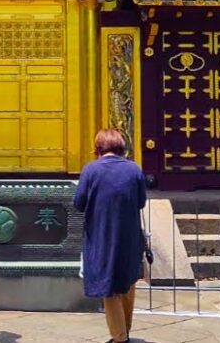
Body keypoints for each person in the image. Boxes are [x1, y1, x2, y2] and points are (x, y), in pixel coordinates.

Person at [73, 129, 147, 343]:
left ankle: (119, 336)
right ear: (122, 148)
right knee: (128, 281)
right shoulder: (134, 169)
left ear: (98, 148)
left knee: (109, 285)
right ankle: (125, 329)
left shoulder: (91, 170)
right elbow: (141, 201)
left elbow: (79, 203)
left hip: (102, 233)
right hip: (129, 234)